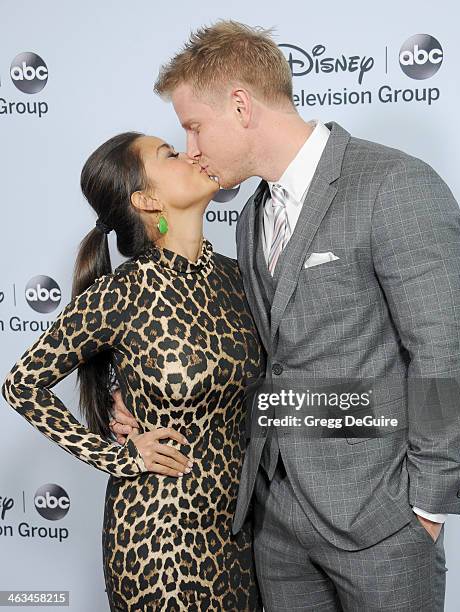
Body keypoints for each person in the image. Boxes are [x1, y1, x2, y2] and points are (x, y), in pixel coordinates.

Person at [110, 20, 460, 611]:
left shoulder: (394, 185)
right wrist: (129, 393)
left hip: (380, 524)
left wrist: (427, 507)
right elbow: (255, 352)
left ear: (240, 105)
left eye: (194, 127)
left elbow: (445, 353)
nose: (193, 147)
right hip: (275, 524)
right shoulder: (253, 212)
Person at [2, 131, 264, 611]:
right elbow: (22, 385)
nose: (190, 152)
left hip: (236, 538)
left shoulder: (237, 276)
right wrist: (118, 457)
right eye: (169, 154)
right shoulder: (121, 292)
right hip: (157, 540)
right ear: (145, 199)